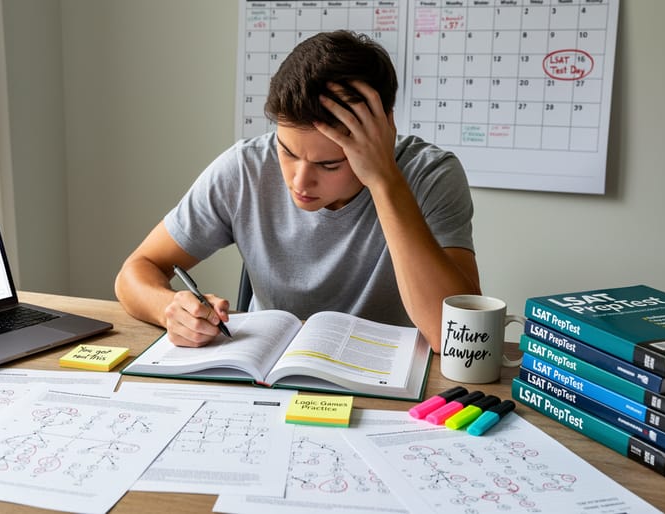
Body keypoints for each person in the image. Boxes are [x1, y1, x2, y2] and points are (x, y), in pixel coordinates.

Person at [115, 30, 480, 353]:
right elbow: (135, 272)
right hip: (267, 375)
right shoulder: (244, 168)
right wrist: (170, 308)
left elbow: (453, 335)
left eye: (329, 164)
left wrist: (384, 180)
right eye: (287, 151)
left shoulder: (430, 175)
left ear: (380, 137)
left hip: (387, 385)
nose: (300, 181)